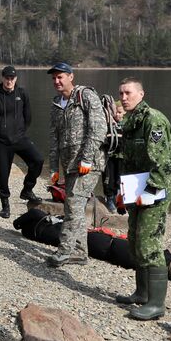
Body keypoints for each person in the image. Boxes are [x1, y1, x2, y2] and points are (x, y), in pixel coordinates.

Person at [113, 77, 171, 321]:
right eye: (121, 93)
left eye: (128, 93)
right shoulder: (130, 120)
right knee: (135, 240)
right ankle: (141, 293)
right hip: (137, 188)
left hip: (156, 190)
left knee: (149, 244)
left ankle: (156, 304)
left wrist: (149, 193)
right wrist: (124, 191)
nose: (124, 97)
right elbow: (127, 159)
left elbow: (162, 163)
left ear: (141, 94)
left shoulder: (153, 120)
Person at [44, 62, 107, 267]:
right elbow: (54, 138)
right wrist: (54, 168)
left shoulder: (86, 96)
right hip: (69, 164)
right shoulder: (56, 104)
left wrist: (87, 158)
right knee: (75, 206)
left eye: (60, 77)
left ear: (71, 76)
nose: (57, 81)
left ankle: (64, 251)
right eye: (54, 78)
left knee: (73, 204)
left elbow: (98, 129)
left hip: (89, 164)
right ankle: (79, 252)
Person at [0, 65, 44, 219]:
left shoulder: (22, 94)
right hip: (1, 142)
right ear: (2, 78)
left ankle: (27, 190)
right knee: (3, 174)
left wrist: (20, 132)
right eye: (7, 78)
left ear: (15, 79)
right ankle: (5, 204)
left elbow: (28, 116)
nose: (9, 81)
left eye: (12, 78)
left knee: (38, 160)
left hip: (20, 138)